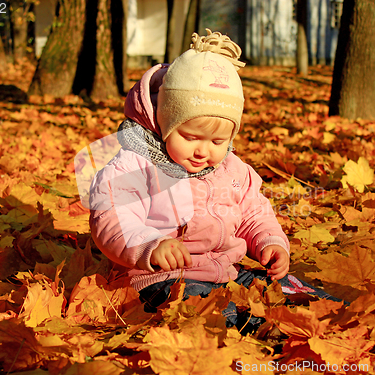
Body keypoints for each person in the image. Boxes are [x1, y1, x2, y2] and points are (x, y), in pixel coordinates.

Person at [88, 29, 338, 331]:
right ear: (164, 121)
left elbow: (254, 212)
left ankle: (329, 313)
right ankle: (265, 326)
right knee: (206, 312)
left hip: (226, 272)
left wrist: (270, 243)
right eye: (190, 137)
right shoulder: (136, 165)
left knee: (286, 288)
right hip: (161, 279)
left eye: (218, 141)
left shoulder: (233, 169)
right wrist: (150, 246)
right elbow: (112, 216)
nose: (203, 150)